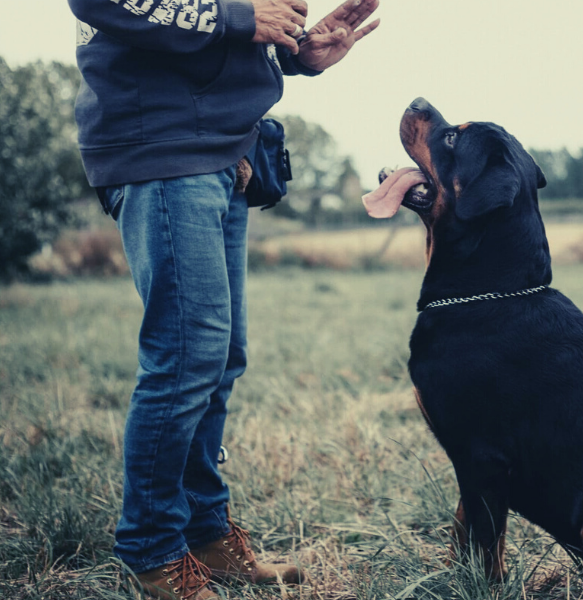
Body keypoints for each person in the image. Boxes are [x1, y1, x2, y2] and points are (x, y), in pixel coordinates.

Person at [65, 0, 380, 598]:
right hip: (162, 149)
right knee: (185, 359)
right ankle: (153, 551)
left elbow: (203, 35)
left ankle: (205, 535)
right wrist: (239, 19)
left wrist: (291, 53)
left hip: (219, 150)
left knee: (217, 358)